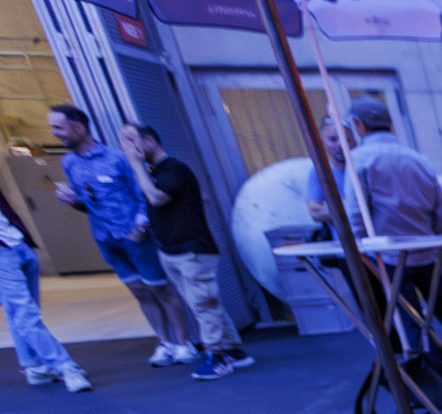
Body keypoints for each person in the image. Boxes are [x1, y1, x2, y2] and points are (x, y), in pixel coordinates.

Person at [339, 96, 442, 396]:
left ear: (359, 125)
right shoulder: (418, 159)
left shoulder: (360, 160)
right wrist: (431, 234)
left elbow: (356, 212)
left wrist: (364, 245)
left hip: (391, 255)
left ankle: (438, 384)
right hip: (428, 252)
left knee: (411, 322)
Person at [48, 103, 196, 366]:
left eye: (58, 127)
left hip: (135, 237)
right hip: (105, 238)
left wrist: (140, 226)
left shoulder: (118, 158)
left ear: (78, 127)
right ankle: (165, 343)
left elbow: (143, 196)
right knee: (140, 291)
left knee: (160, 289)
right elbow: (86, 203)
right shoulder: (68, 162)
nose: (54, 133)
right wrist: (73, 200)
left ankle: (184, 344)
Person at [121, 123, 253, 381]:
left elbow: (158, 198)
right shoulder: (154, 171)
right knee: (202, 302)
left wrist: (136, 165)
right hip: (172, 251)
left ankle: (216, 355)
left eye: (130, 140)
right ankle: (232, 350)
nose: (126, 148)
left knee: (203, 303)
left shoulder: (174, 168)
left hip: (192, 250)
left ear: (149, 141)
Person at [0, 188, 90, 392]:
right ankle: (66, 367)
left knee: (20, 313)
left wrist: (23, 239)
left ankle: (34, 367)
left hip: (18, 244)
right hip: (3, 255)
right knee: (24, 314)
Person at [305, 115, 347, 226]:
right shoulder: (320, 172)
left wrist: (330, 206)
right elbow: (315, 213)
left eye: (345, 139)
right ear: (322, 142)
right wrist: (349, 206)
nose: (340, 144)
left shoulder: (362, 167)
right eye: (333, 139)